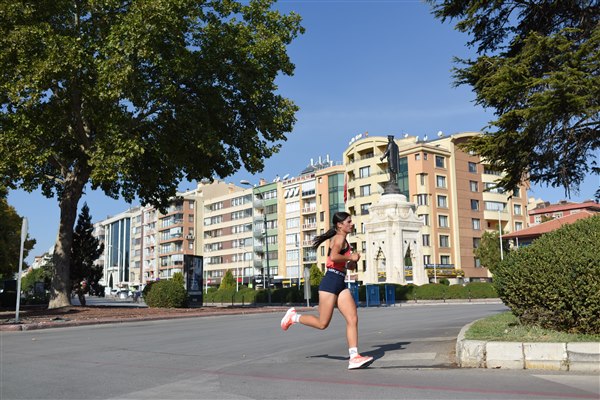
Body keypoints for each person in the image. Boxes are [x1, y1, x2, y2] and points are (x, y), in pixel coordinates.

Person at [280, 212, 374, 370]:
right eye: (349, 222)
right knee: (322, 323)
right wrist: (350, 257)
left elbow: (342, 263)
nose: (352, 224)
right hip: (330, 282)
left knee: (352, 318)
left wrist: (352, 263)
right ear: (340, 225)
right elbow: (334, 257)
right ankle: (293, 317)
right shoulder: (339, 238)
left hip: (340, 282)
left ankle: (354, 357)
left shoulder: (345, 240)